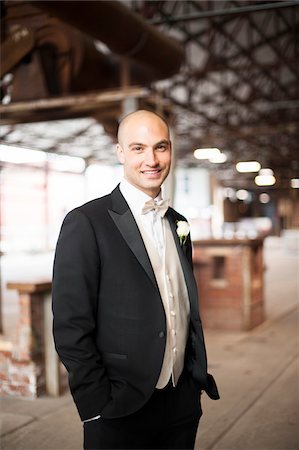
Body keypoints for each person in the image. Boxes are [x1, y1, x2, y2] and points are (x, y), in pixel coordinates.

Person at [52, 109, 219, 450]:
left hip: (181, 402)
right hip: (119, 407)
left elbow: (182, 305)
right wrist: (96, 405)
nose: (152, 160)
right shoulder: (86, 222)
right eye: (139, 148)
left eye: (161, 147)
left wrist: (192, 380)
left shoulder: (178, 223)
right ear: (120, 153)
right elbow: (71, 324)